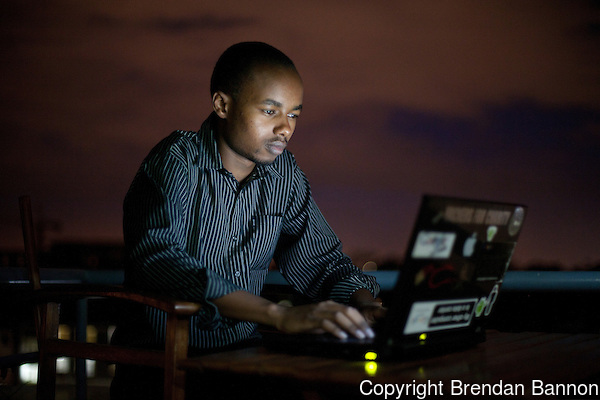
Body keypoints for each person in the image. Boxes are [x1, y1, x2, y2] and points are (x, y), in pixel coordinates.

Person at [111, 42, 382, 399]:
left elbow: (323, 263)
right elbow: (160, 260)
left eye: (295, 115)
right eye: (271, 111)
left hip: (243, 358)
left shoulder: (284, 175)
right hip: (162, 363)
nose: (285, 128)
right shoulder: (178, 158)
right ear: (222, 105)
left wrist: (365, 305)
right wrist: (278, 316)